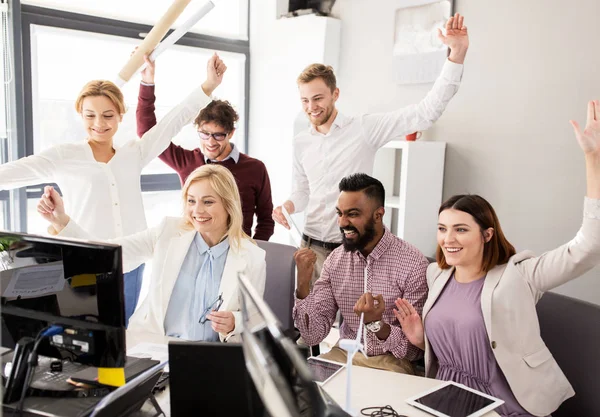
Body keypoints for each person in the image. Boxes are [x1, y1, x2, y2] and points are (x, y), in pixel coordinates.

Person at [394, 101, 600, 416]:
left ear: (487, 235)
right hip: (445, 398)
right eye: (442, 229)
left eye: (461, 229)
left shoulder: (521, 275)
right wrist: (423, 340)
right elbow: (455, 347)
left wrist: (592, 157)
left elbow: (588, 248)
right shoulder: (436, 275)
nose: (449, 239)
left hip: (503, 405)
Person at [0, 55, 226, 324]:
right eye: (90, 115)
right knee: (87, 333)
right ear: (80, 115)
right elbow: (14, 172)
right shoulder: (64, 155)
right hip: (85, 262)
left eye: (108, 115)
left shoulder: (133, 152)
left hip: (130, 263)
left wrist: (208, 86)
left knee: (123, 335)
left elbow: (170, 124)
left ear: (120, 115)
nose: (99, 123)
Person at [273, 14, 469, 285]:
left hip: (351, 248)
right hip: (310, 247)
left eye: (318, 98)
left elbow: (426, 113)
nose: (311, 107)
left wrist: (456, 53)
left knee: (354, 325)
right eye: (304, 100)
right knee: (309, 323)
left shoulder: (364, 128)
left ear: (335, 94)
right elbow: (303, 191)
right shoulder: (301, 142)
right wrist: (288, 205)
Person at [37, 164, 266, 342]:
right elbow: (108, 255)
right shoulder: (168, 231)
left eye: (208, 202)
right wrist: (62, 221)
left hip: (212, 355)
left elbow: (254, 319)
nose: (197, 210)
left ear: (228, 205)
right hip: (156, 347)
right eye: (191, 201)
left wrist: (234, 322)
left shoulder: (252, 257)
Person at [293, 173, 429, 374]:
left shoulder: (413, 264)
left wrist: (377, 325)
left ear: (378, 215)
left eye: (353, 214)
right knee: (300, 391)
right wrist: (303, 287)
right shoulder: (336, 261)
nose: (342, 222)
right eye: (340, 213)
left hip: (391, 363)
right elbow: (313, 336)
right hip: (343, 355)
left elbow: (415, 350)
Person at [136, 54, 275, 241]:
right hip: (194, 252)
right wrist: (147, 82)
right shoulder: (187, 161)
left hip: (238, 255)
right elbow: (148, 133)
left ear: (231, 133)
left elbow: (266, 219)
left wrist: (253, 251)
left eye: (218, 135)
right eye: (204, 133)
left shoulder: (255, 168)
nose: (210, 142)